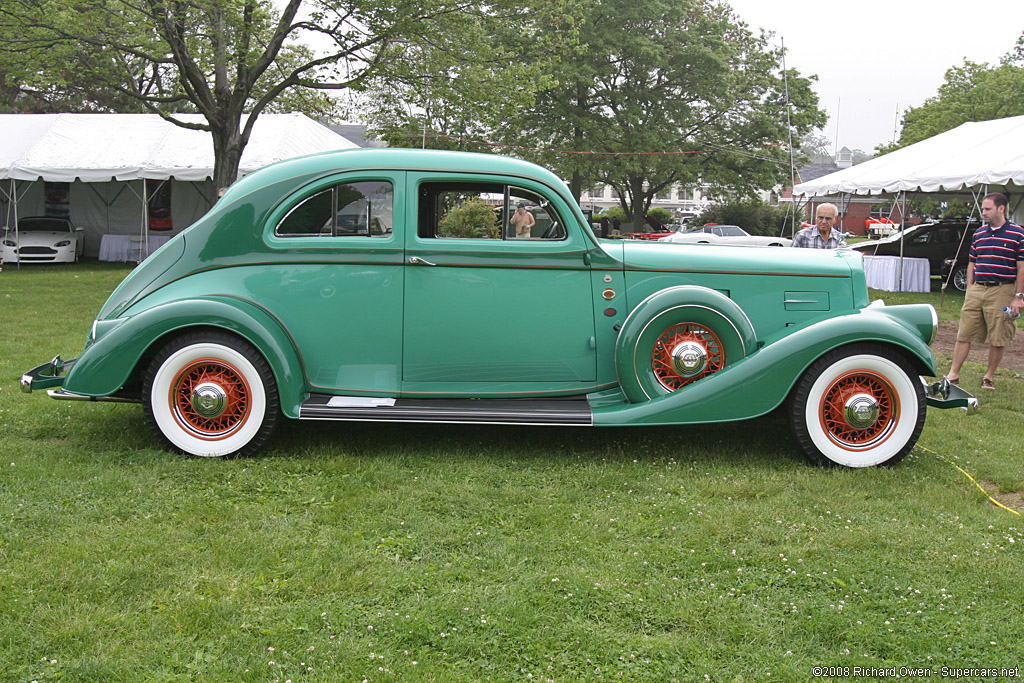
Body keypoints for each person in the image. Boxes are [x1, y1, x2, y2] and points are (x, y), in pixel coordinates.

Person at [945, 192, 1024, 391]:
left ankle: (988, 376)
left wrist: (1018, 297)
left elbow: (1022, 267)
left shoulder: (1018, 234)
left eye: (988, 209)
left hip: (1003, 290)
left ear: (1001, 208)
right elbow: (972, 262)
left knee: (999, 335)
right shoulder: (979, 233)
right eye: (983, 208)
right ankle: (953, 375)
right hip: (977, 289)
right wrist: (970, 288)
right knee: (964, 332)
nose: (984, 212)